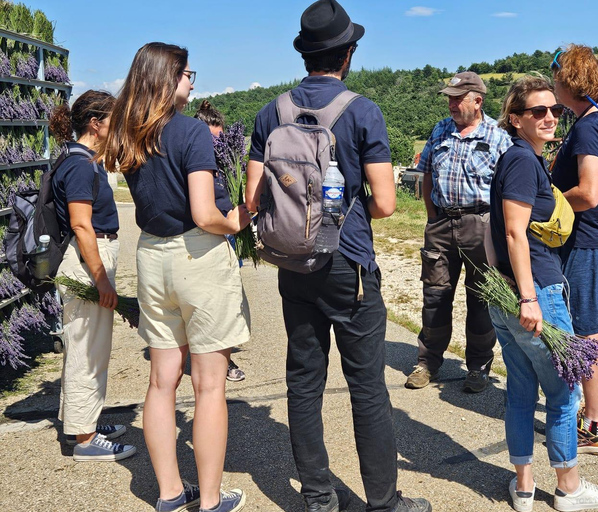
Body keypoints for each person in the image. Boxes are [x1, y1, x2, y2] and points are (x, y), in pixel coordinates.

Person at [245, 1, 430, 511]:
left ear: (305, 55)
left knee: (303, 383)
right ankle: (384, 502)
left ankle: (320, 498)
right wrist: (348, 214)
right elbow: (387, 203)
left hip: (292, 263)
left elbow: (252, 197)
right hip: (347, 264)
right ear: (347, 53)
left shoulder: (271, 112)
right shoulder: (362, 111)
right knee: (367, 387)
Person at [98, 43, 251, 512]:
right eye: (187, 73)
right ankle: (209, 501)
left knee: (162, 381)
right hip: (197, 256)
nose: (193, 80)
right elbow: (206, 213)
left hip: (151, 256)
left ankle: (167, 494)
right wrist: (241, 219)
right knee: (208, 386)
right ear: (166, 78)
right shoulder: (191, 133)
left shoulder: (128, 133)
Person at [489, 74, 598, 512]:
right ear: (515, 118)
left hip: (506, 293)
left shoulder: (517, 158)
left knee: (522, 389)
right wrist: (527, 296)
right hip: (535, 292)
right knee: (564, 394)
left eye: (555, 109)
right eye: (537, 111)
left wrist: (501, 284)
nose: (550, 117)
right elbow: (512, 231)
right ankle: (569, 488)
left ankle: (524, 489)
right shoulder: (524, 161)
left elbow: (495, 237)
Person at [405, 71, 511, 393]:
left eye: (457, 98)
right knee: (435, 295)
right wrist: (431, 215)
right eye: (449, 98)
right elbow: (425, 175)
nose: (450, 104)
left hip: (481, 226)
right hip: (440, 224)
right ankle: (427, 362)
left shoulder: (498, 136)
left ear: (477, 101)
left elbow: (509, 188)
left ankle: (478, 366)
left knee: (481, 298)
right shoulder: (440, 130)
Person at [50, 91, 137, 462]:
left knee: (83, 347)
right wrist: (101, 280)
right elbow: (81, 225)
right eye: (113, 120)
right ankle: (85, 440)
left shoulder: (79, 158)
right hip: (89, 260)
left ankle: (80, 424)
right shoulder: (81, 165)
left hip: (88, 259)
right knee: (88, 350)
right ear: (95, 123)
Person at [550, 45, 598, 455]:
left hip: (582, 241)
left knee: (584, 332)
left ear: (568, 82)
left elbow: (590, 192)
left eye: (557, 77)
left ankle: (594, 427)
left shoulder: (587, 128)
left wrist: (547, 204)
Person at [193, 99, 246, 383]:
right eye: (212, 139)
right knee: (210, 302)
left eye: (220, 138)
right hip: (206, 237)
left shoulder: (225, 162)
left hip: (229, 233)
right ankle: (218, 363)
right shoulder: (195, 163)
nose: (217, 144)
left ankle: (217, 356)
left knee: (226, 299)